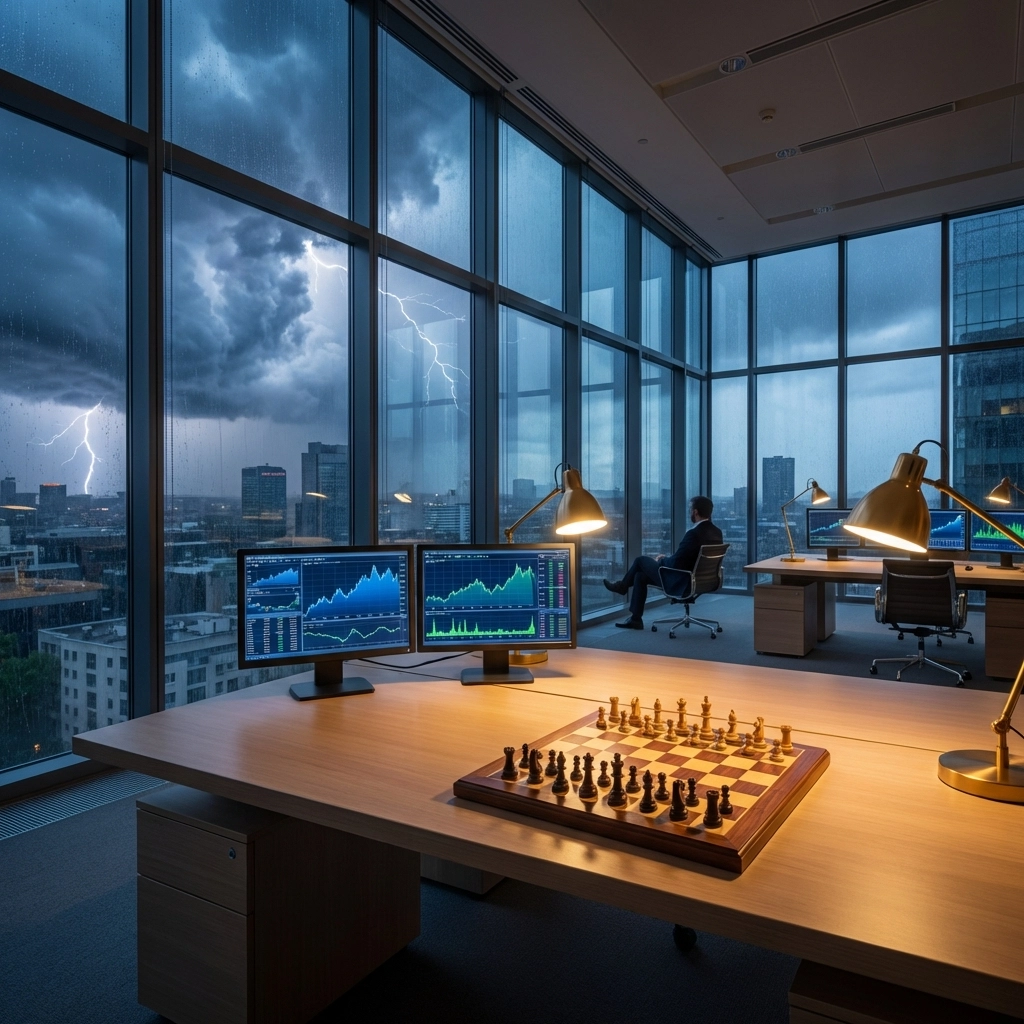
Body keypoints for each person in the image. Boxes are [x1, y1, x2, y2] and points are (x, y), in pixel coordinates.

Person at [602, 495, 723, 630]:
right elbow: (685, 559)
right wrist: (668, 559)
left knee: (641, 560)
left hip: (682, 581)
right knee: (640, 576)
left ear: (695, 512)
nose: (689, 513)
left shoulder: (694, 534)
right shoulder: (717, 532)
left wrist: (661, 560)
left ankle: (622, 587)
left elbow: (676, 563)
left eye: (690, 509)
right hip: (704, 580)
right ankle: (635, 619)